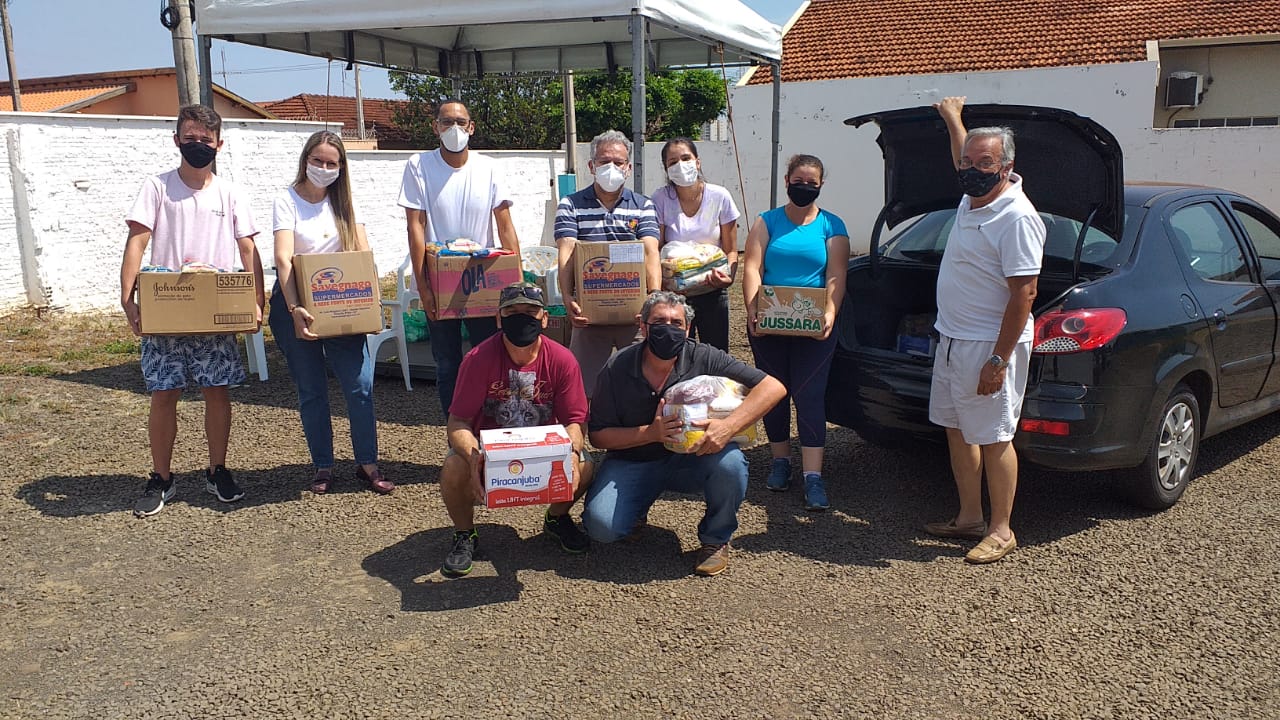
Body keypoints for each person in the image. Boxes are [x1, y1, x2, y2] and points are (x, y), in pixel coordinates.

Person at [120, 104, 264, 517]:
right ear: (177, 140)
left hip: (214, 310)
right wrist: (127, 298)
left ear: (219, 144)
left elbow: (248, 248)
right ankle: (162, 477)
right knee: (164, 393)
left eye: (206, 139)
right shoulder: (158, 187)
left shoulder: (230, 193)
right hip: (166, 311)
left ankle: (217, 468)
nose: (198, 145)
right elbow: (138, 241)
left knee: (216, 393)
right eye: (190, 138)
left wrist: (257, 300)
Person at [582, 291, 786, 577]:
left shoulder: (703, 356)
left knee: (731, 464)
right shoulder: (617, 367)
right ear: (642, 326)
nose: (668, 328)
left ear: (688, 328)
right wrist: (651, 433)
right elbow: (599, 437)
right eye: (659, 322)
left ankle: (716, 539)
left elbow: (773, 387)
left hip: (693, 458)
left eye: (676, 323)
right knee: (602, 528)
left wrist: (728, 427)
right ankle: (637, 506)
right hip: (634, 460)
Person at [922, 96, 1045, 564]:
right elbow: (961, 155)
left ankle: (1001, 528)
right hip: (951, 339)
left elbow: (1024, 295)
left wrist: (999, 360)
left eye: (984, 163)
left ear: (1006, 166)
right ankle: (969, 516)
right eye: (969, 163)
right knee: (957, 430)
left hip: (988, 347)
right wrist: (954, 119)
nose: (972, 169)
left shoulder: (1015, 216)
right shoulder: (972, 200)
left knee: (995, 437)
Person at [439, 282, 594, 577]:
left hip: (542, 449)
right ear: (499, 319)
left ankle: (556, 518)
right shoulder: (477, 360)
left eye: (530, 311)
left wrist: (573, 452)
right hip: (490, 452)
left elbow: (575, 419)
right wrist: (474, 457)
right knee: (453, 466)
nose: (521, 317)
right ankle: (464, 534)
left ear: (545, 318)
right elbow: (457, 422)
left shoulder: (562, 360)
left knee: (586, 465)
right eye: (512, 311)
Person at [269, 131, 392, 496]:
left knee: (360, 386)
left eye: (331, 163)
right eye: (318, 161)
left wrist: (370, 303)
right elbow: (282, 258)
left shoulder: (346, 204)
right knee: (312, 389)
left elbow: (362, 255)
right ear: (305, 160)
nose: (323, 168)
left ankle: (367, 462)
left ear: (341, 168)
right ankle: (323, 464)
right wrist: (294, 308)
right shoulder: (286, 200)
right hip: (295, 303)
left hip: (341, 303)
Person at [398, 99, 521, 416]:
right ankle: (457, 433)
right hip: (439, 282)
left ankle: (491, 427)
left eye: (460, 122)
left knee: (489, 357)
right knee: (448, 362)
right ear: (435, 127)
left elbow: (504, 225)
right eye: (446, 122)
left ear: (472, 127)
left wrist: (516, 283)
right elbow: (416, 226)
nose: (454, 129)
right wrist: (423, 286)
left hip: (484, 280)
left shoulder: (488, 167)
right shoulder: (419, 166)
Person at [741, 154, 850, 512]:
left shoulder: (832, 226)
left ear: (821, 185)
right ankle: (780, 461)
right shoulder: (766, 222)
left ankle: (813, 476)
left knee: (809, 395)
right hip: (769, 323)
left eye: (811, 182)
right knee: (772, 394)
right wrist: (753, 308)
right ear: (787, 181)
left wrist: (831, 312)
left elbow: (836, 275)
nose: (804, 187)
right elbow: (753, 267)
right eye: (798, 180)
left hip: (814, 327)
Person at [554, 129, 661, 398]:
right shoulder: (571, 205)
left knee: (640, 382)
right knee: (582, 386)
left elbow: (650, 253)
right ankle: (584, 433)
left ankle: (635, 435)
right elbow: (566, 253)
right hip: (588, 315)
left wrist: (653, 299)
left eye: (618, 162)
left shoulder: (643, 205)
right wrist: (567, 297)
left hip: (634, 314)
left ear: (627, 168)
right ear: (592, 166)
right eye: (604, 161)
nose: (611, 167)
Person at [651, 137, 741, 352]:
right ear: (666, 169)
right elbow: (656, 248)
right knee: (678, 353)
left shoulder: (720, 196)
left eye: (686, 158)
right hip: (677, 295)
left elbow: (731, 250)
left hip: (713, 291)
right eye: (673, 162)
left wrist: (728, 278)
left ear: (697, 162)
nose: (680, 165)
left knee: (716, 353)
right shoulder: (660, 198)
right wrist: (664, 286)